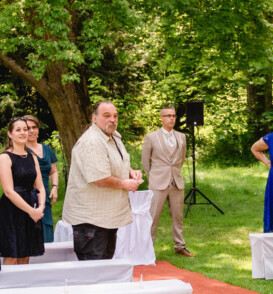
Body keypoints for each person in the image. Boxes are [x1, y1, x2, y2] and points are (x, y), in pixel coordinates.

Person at [62, 101, 143, 260]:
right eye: (107, 116)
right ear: (94, 118)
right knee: (93, 270)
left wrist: (130, 171)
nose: (112, 120)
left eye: (115, 116)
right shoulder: (92, 141)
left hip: (106, 217)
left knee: (104, 265)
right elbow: (98, 177)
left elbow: (112, 162)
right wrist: (125, 183)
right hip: (91, 219)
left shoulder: (112, 136)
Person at [0, 117, 47, 264]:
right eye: (18, 130)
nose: (23, 133)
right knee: (12, 253)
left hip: (32, 208)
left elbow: (40, 186)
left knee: (25, 253)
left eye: (25, 129)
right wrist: (31, 211)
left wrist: (40, 208)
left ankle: (23, 285)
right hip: (12, 210)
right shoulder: (5, 157)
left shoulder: (32, 157)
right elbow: (8, 191)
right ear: (10, 134)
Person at [142, 106, 193, 257]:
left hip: (176, 181)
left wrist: (174, 172)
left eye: (174, 116)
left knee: (178, 217)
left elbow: (181, 159)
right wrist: (153, 177)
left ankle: (180, 246)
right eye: (168, 116)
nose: (172, 118)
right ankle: (147, 247)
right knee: (153, 216)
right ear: (161, 118)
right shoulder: (151, 137)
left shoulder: (181, 137)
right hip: (158, 181)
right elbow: (146, 161)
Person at [23, 115, 59, 243]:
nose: (32, 131)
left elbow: (53, 171)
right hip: (26, 198)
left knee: (46, 235)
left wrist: (55, 187)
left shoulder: (47, 149)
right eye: (28, 128)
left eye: (34, 127)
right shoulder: (19, 150)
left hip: (45, 198)